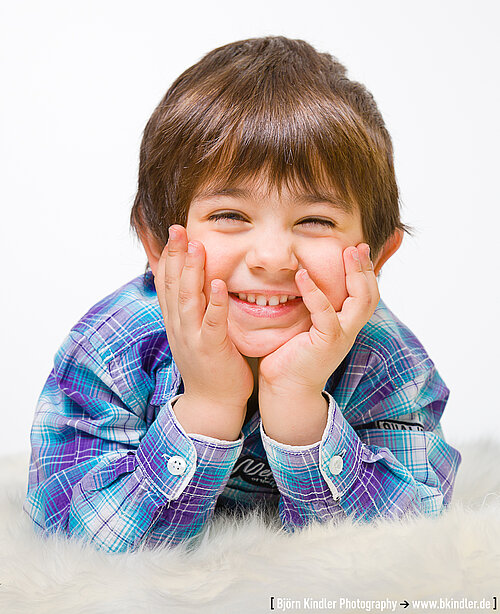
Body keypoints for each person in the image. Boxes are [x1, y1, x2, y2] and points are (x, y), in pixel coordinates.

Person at [24, 36, 461, 553]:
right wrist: (208, 405)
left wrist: (298, 408)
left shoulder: (385, 360)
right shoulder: (114, 346)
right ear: (157, 244)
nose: (272, 257)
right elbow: (71, 536)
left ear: (378, 256)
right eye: (229, 215)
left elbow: (414, 538)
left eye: (316, 220)